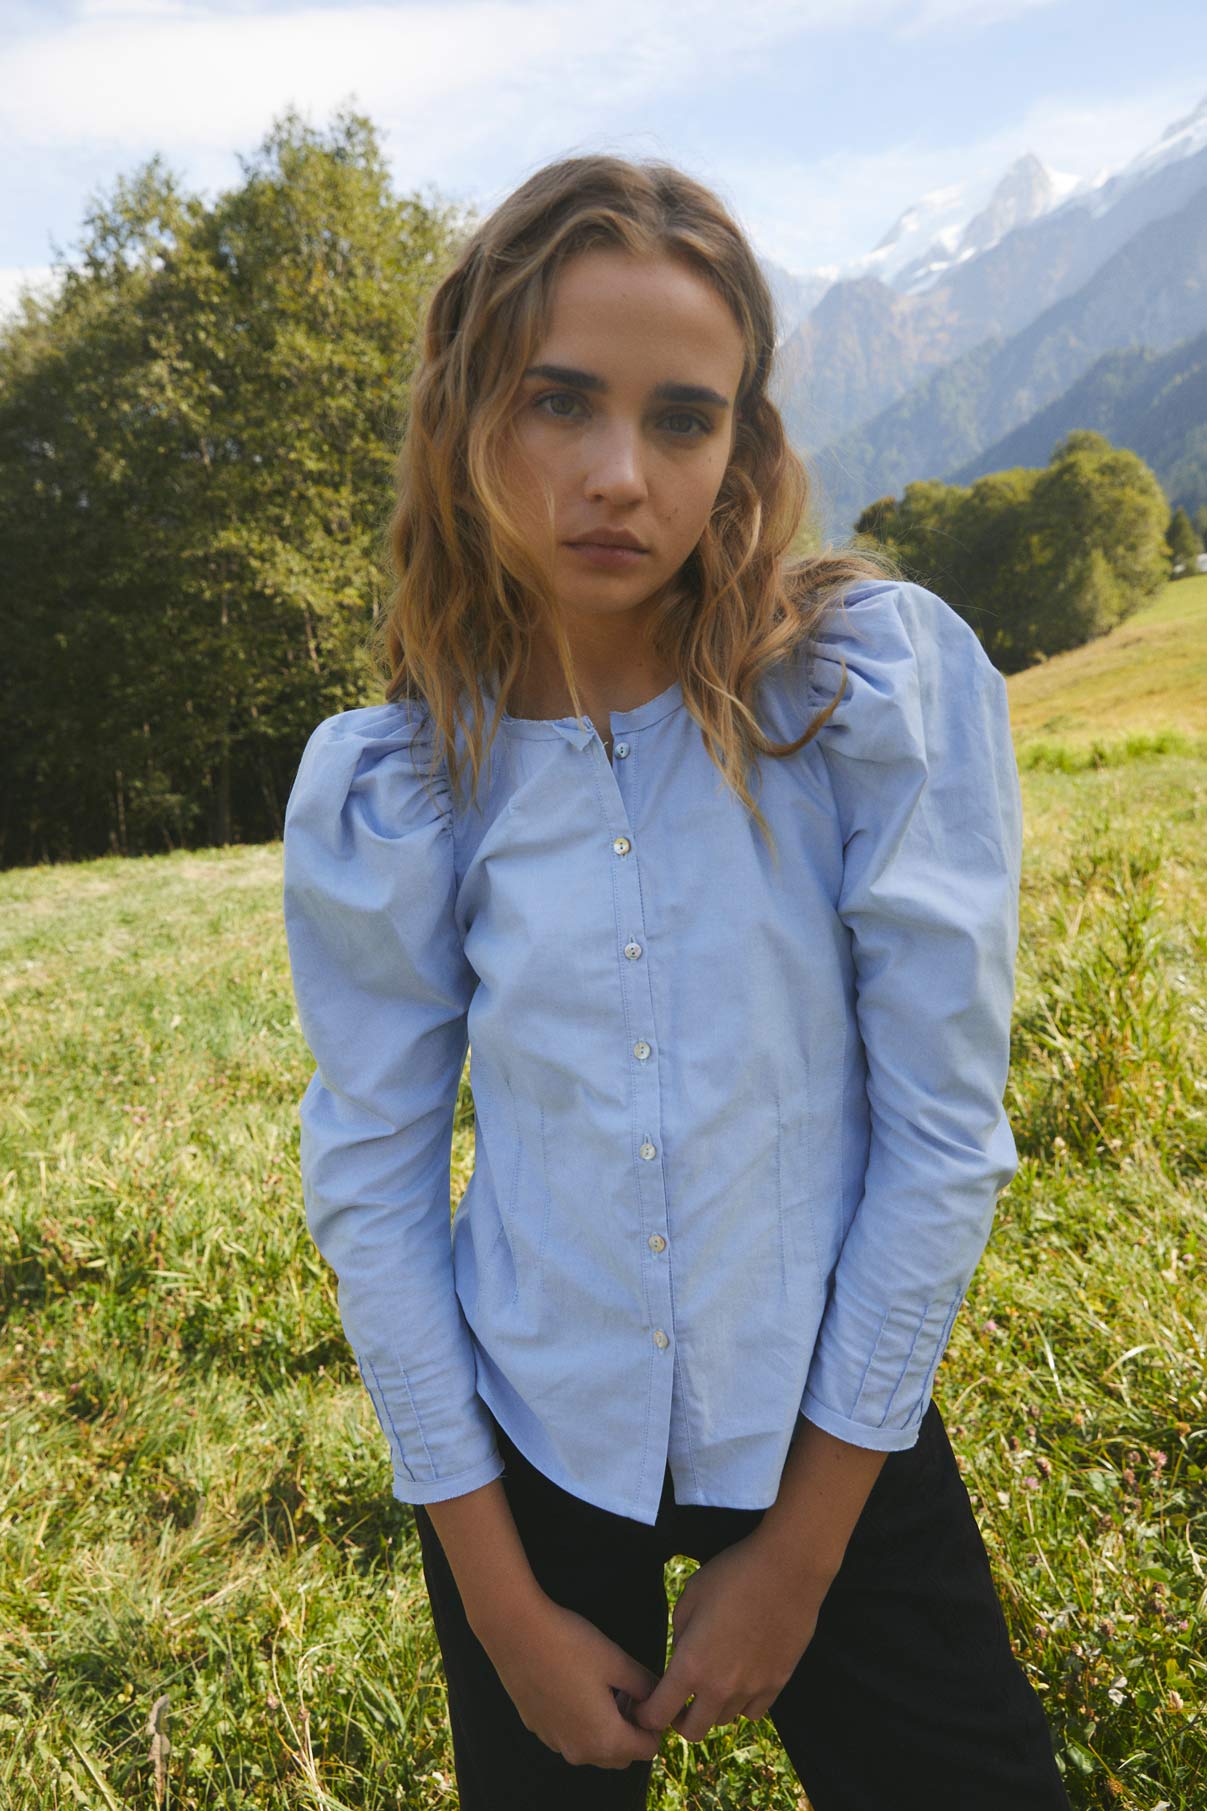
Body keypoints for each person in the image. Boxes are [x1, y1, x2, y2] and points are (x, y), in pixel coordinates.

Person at [282, 153, 1073, 1810]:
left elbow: (944, 1138)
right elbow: (374, 1180)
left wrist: (799, 1556)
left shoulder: (858, 704)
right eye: (558, 401)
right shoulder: (406, 784)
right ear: (467, 413)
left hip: (832, 1429)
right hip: (533, 1448)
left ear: (743, 448)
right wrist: (503, 1610)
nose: (618, 477)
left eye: (682, 420)